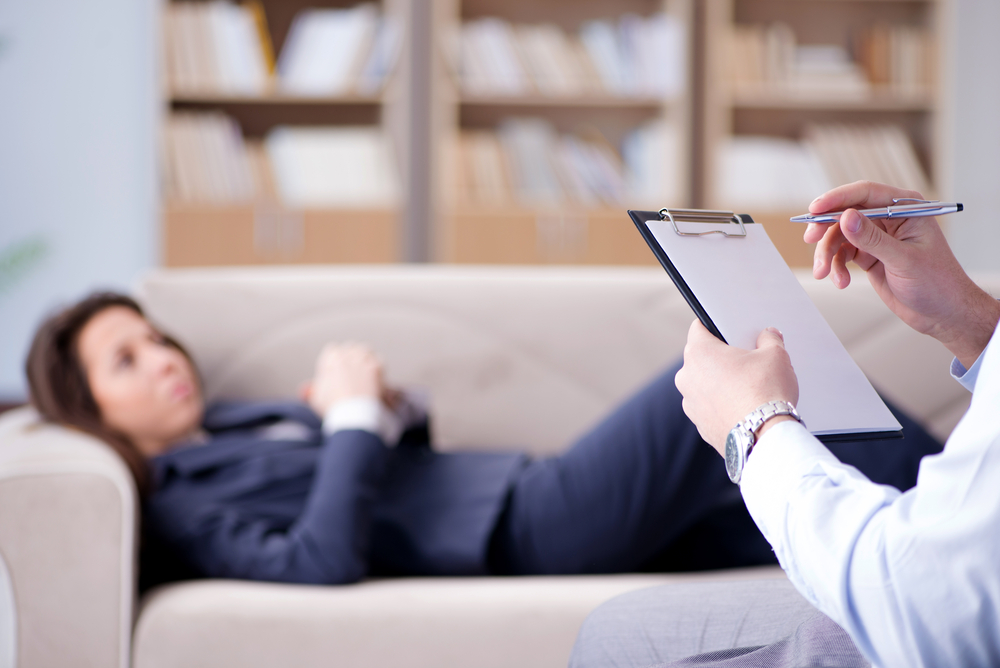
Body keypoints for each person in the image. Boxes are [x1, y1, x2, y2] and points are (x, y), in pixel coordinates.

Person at [24, 267, 941, 592]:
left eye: (154, 339)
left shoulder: (231, 423)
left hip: (517, 491)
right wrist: (348, 420)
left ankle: (938, 532)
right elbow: (318, 558)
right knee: (716, 383)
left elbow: (386, 469)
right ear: (88, 410)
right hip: (514, 531)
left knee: (752, 499)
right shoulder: (175, 507)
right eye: (126, 362)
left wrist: (383, 412)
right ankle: (960, 499)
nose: (162, 359)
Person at [571, 180, 1000, 668]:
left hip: (923, 619)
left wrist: (755, 426)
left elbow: (921, 599)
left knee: (615, 640)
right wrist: (974, 323)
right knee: (612, 629)